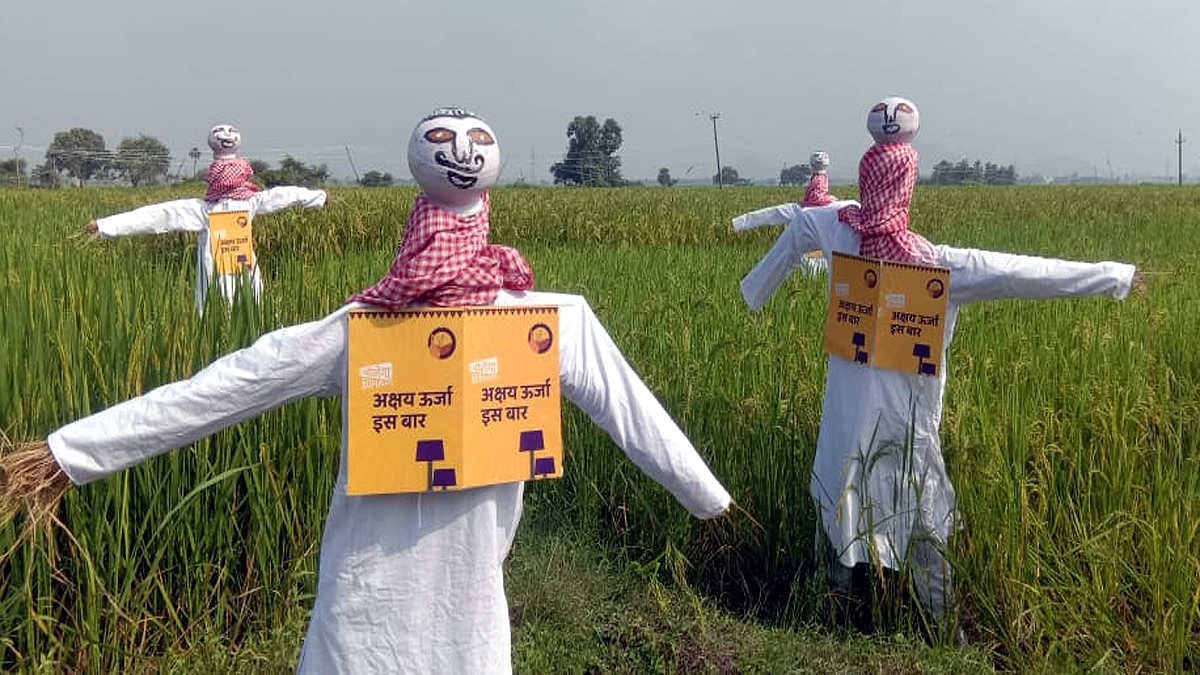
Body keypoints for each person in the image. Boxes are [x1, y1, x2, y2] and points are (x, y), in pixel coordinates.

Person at [1, 107, 732, 673]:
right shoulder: (541, 319)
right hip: (433, 607)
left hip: (392, 607)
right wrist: (709, 499)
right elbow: (634, 412)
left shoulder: (379, 325)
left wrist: (65, 454)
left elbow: (221, 388)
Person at [733, 96, 1140, 641]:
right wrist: (1115, 275)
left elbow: (802, 222)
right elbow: (1023, 273)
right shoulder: (936, 264)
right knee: (922, 523)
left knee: (839, 508)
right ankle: (942, 634)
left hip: (847, 424)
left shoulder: (840, 230)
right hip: (906, 432)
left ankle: (828, 621)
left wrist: (759, 287)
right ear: (909, 186)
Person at [86, 124, 328, 314]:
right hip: (224, 267)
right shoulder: (216, 209)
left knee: (247, 304)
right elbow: (156, 216)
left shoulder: (226, 207)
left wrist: (319, 197)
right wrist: (106, 226)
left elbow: (284, 195)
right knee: (230, 306)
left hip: (240, 264)